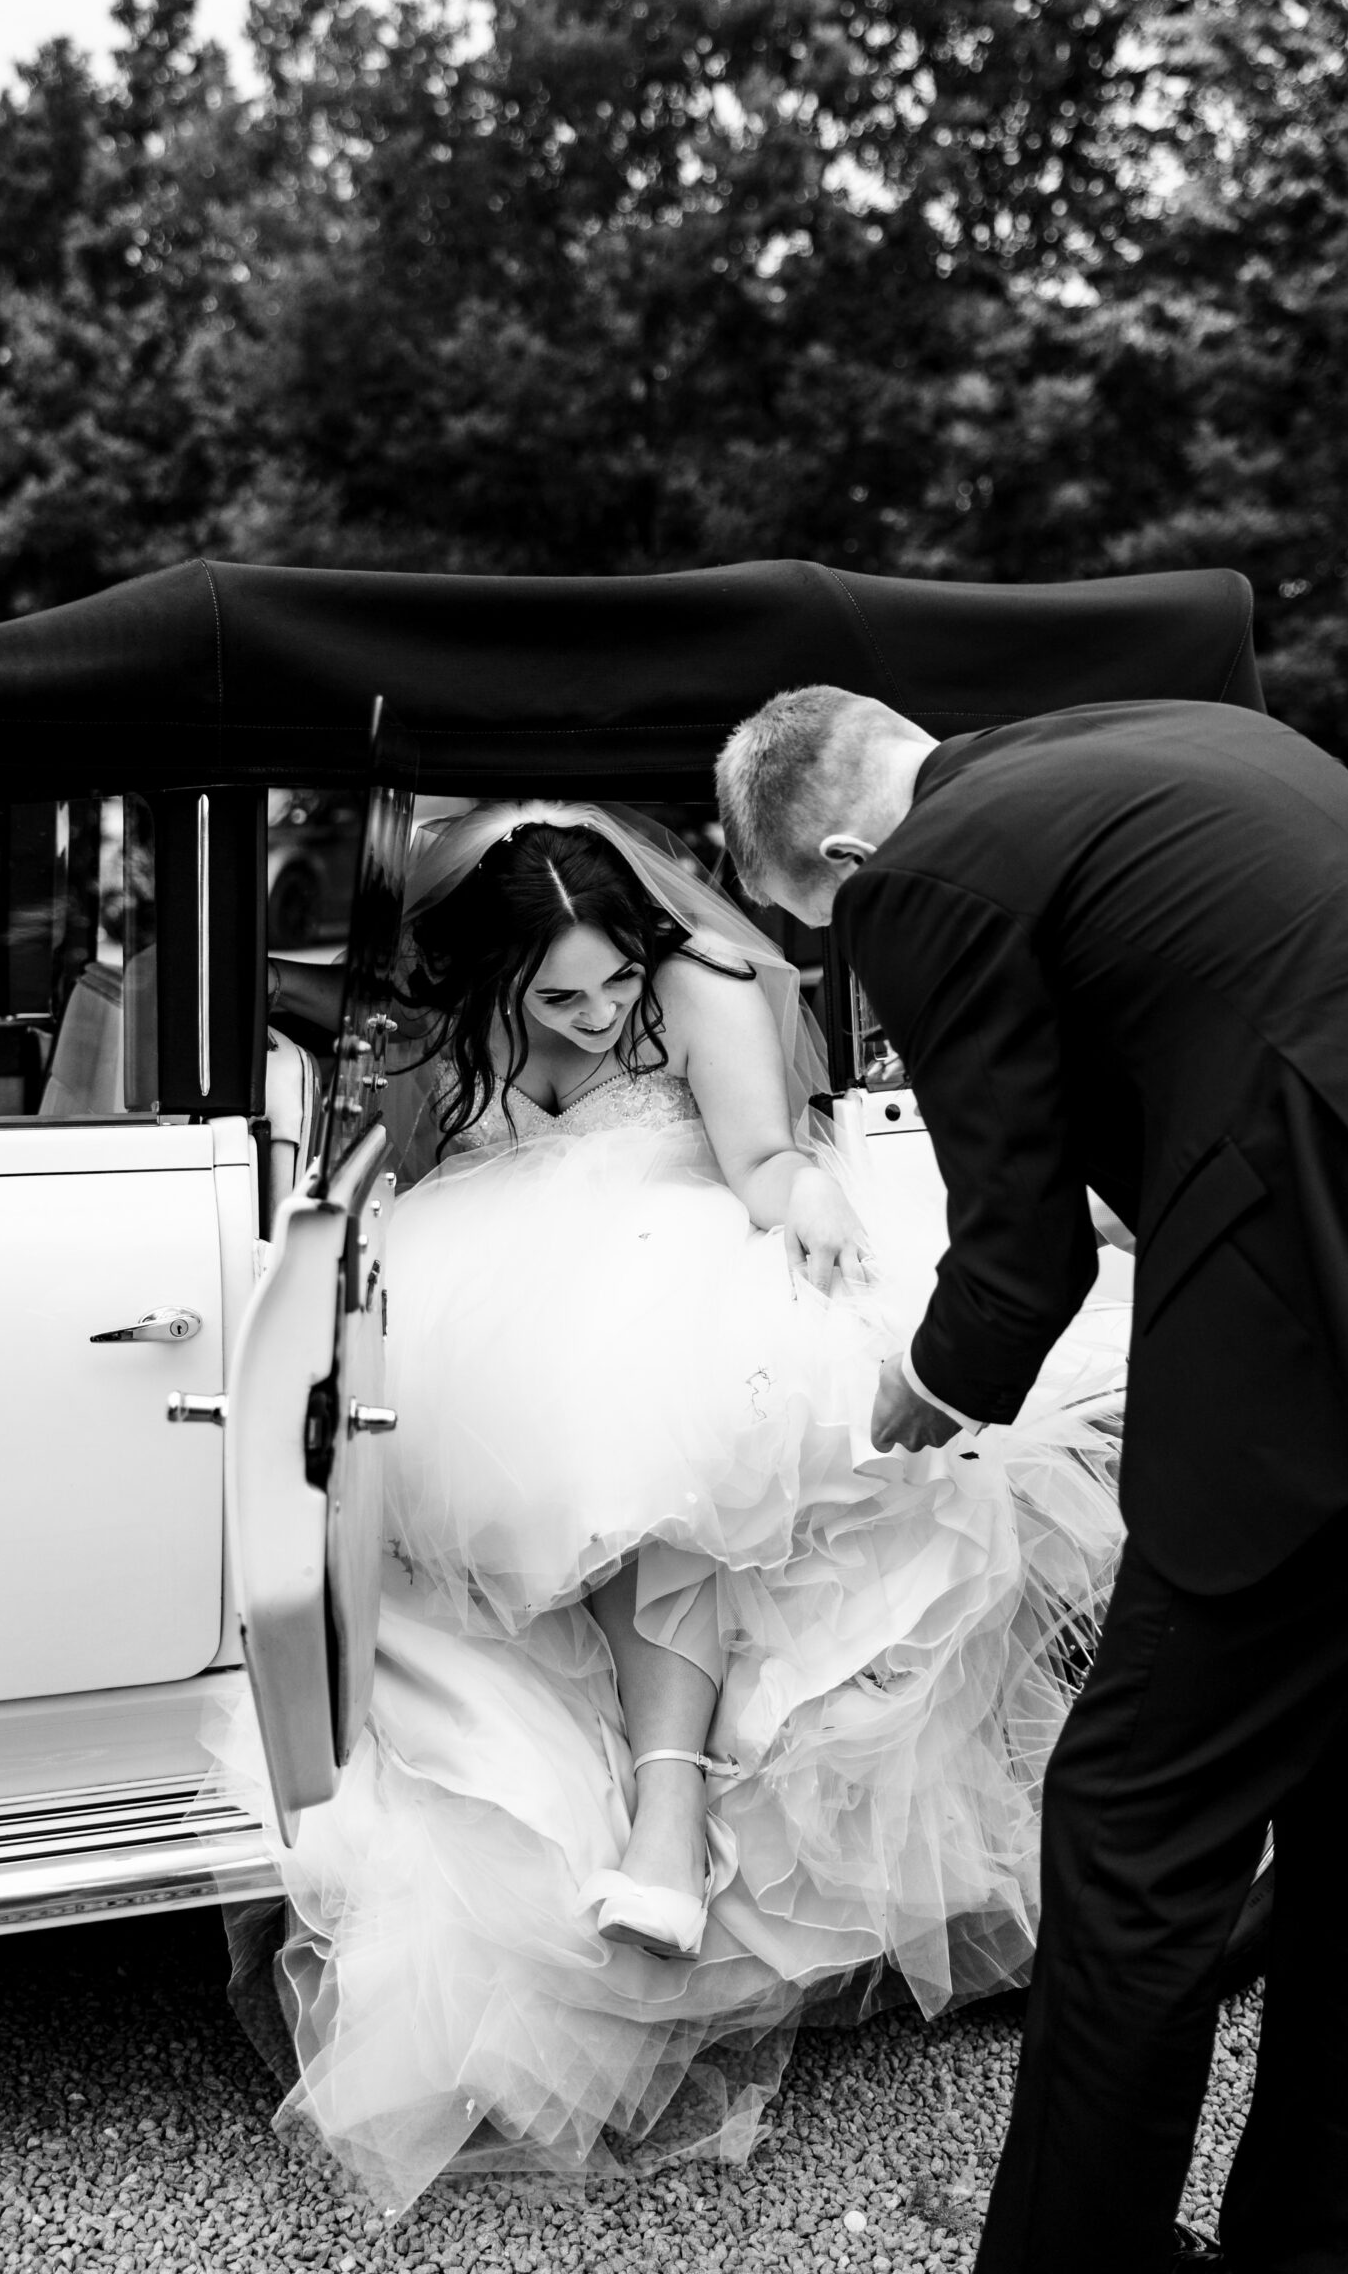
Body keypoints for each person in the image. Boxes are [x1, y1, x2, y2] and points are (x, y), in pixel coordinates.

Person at [716, 686, 1348, 2274]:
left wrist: (929, 1386)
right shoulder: (1183, 740)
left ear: (837, 850)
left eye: (817, 918)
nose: (851, 946)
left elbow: (1012, 1259)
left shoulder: (923, 874)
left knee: (1134, 1827)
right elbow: (1275, 1026)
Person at [218, 801, 1124, 2213]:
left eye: (611, 984)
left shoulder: (698, 980)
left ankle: (665, 1818)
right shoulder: (469, 1031)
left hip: (683, 1251)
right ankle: (629, 1816)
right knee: (505, 1426)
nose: (591, 1018)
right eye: (556, 997)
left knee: (654, 1432)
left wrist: (805, 1194)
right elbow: (434, 1159)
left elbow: (759, 1158)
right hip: (507, 1287)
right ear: (501, 979)